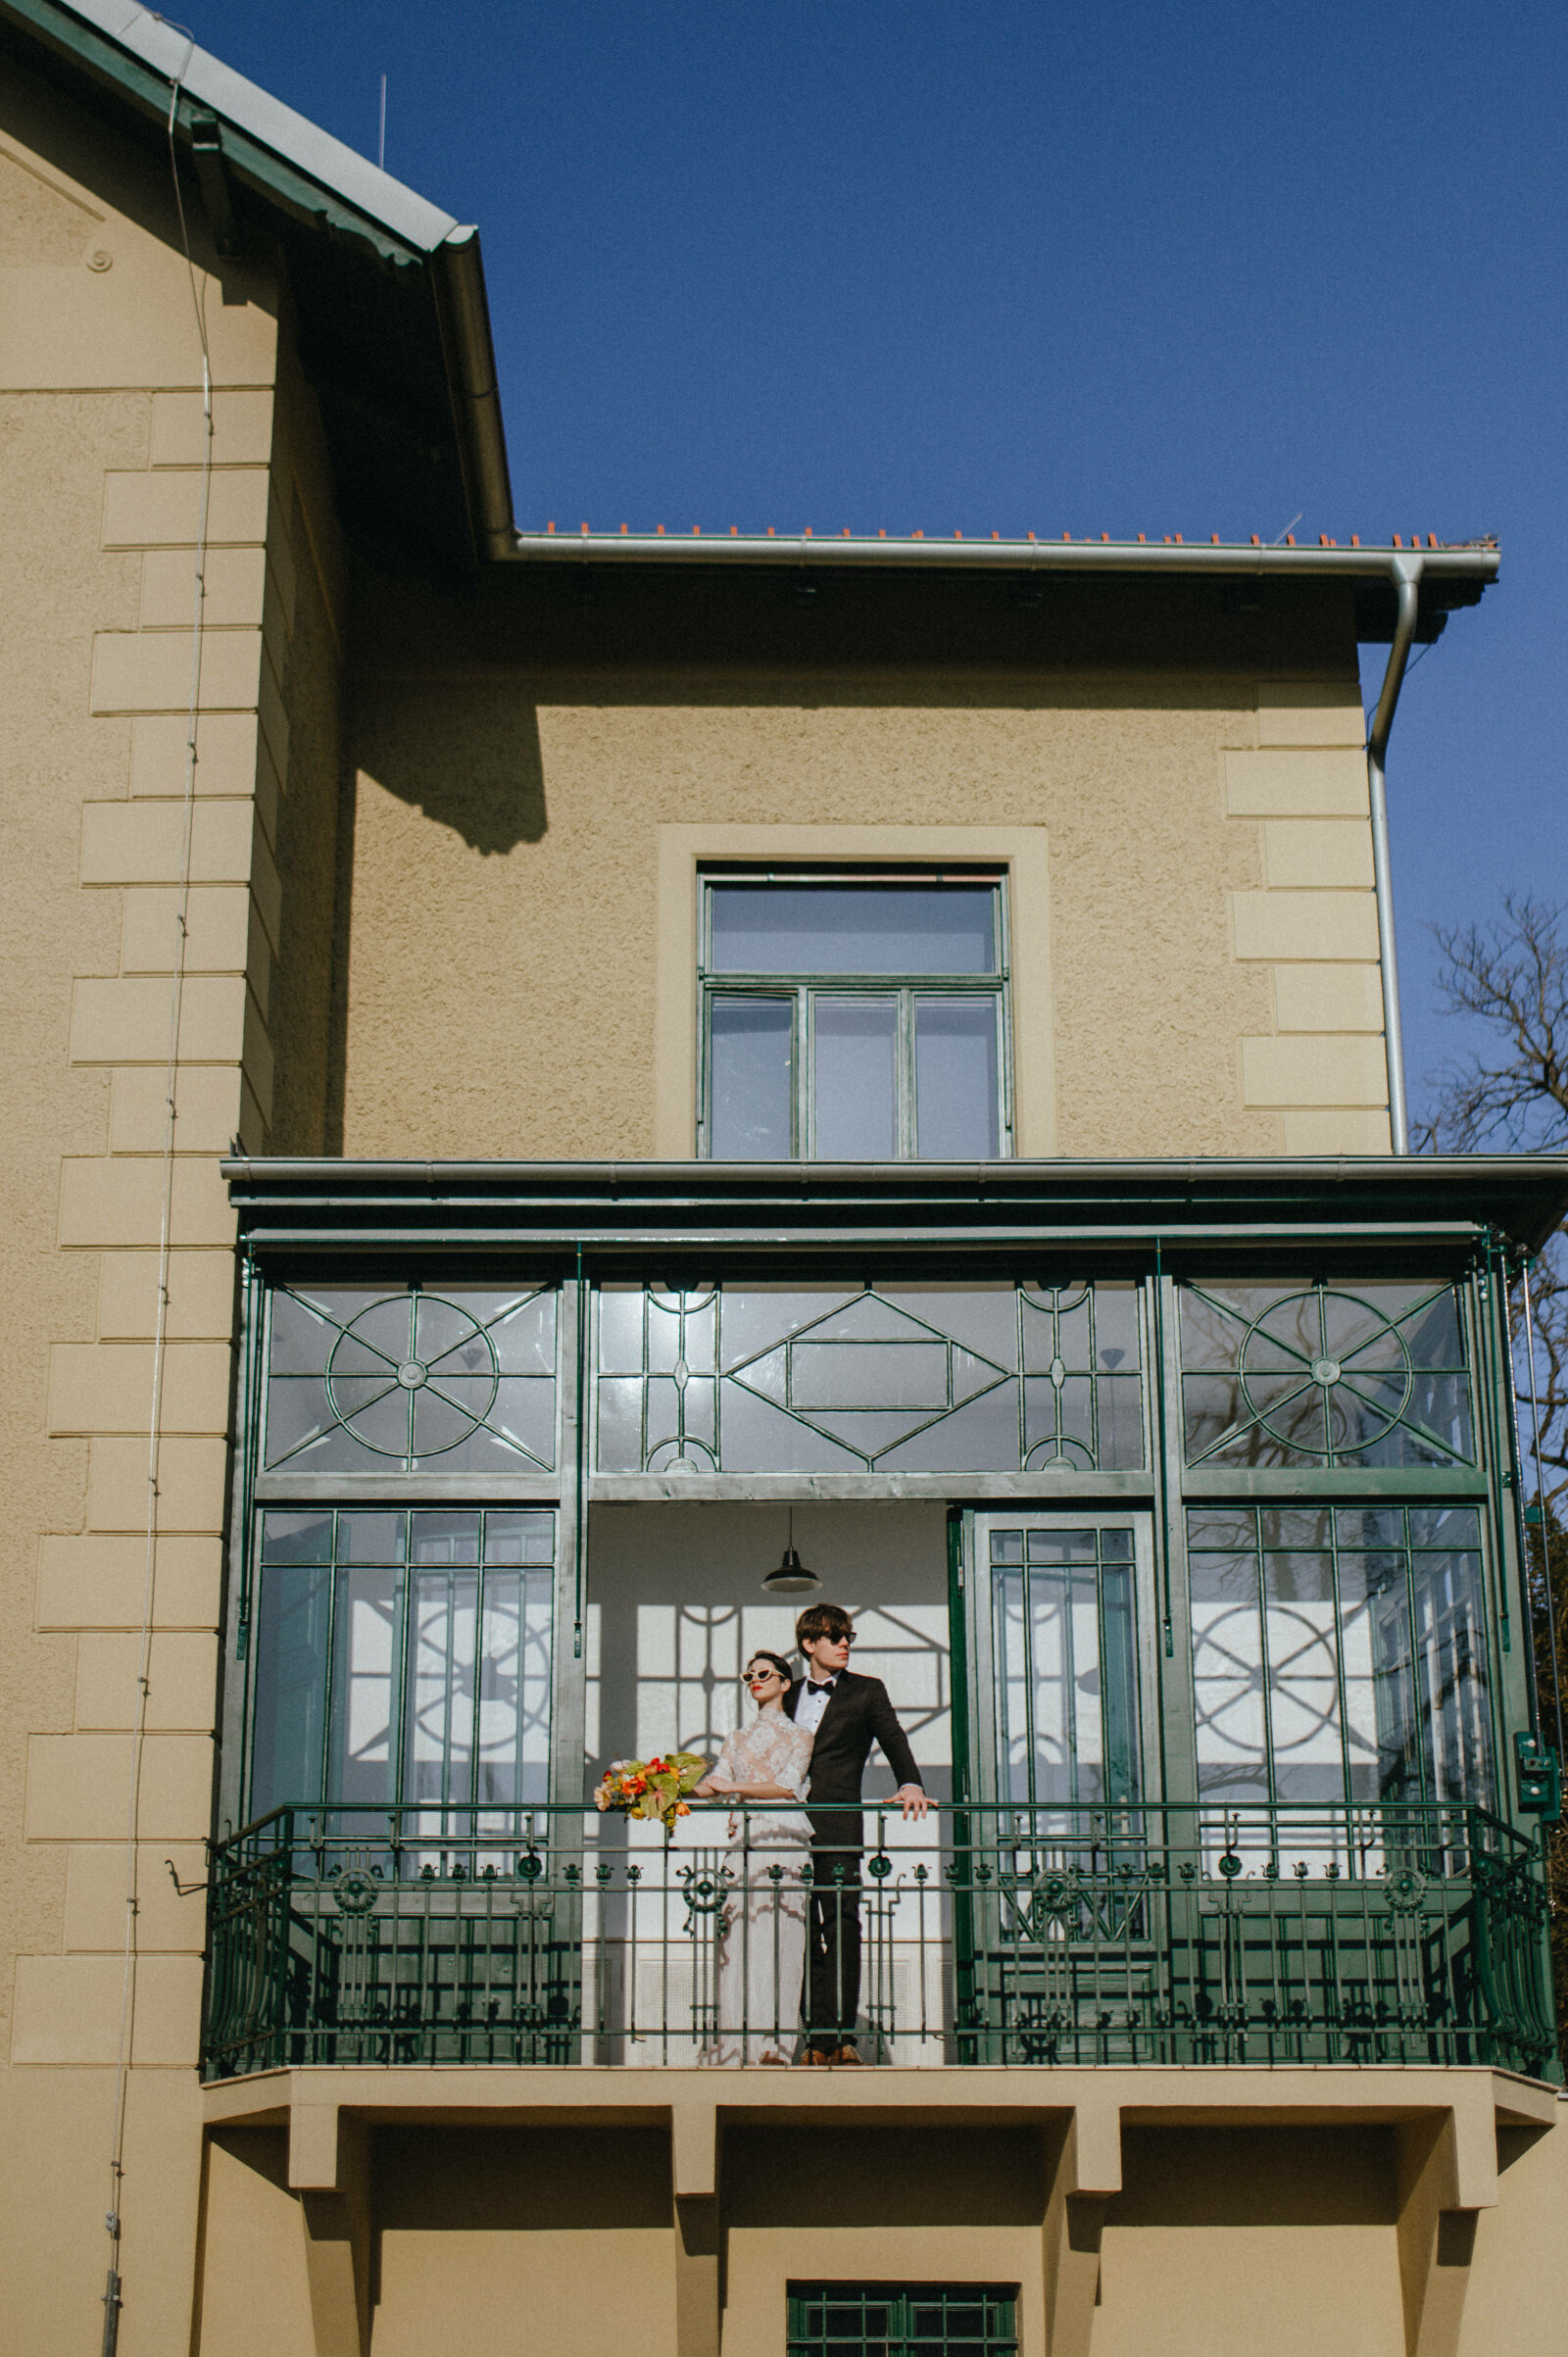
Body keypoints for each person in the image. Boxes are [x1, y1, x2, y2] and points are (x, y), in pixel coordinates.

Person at [786, 1601, 927, 2065]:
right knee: (799, 1929)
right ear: (809, 1644)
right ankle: (814, 2037)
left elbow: (893, 1738)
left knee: (843, 1924)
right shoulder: (786, 1693)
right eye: (835, 1636)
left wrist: (910, 1783)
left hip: (839, 1822)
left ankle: (842, 2037)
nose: (845, 1643)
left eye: (849, 1636)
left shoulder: (867, 1690)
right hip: (785, 1826)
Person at [691, 1651, 813, 2066]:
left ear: (784, 1682)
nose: (755, 1680)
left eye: (763, 1673)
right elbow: (715, 1783)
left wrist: (733, 1787)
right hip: (745, 1838)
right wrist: (664, 1786)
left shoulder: (800, 1736)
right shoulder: (737, 1738)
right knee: (738, 1938)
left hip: (783, 1835)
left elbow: (787, 1786)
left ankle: (775, 2046)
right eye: (749, 1675)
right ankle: (734, 2043)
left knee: (781, 1938)